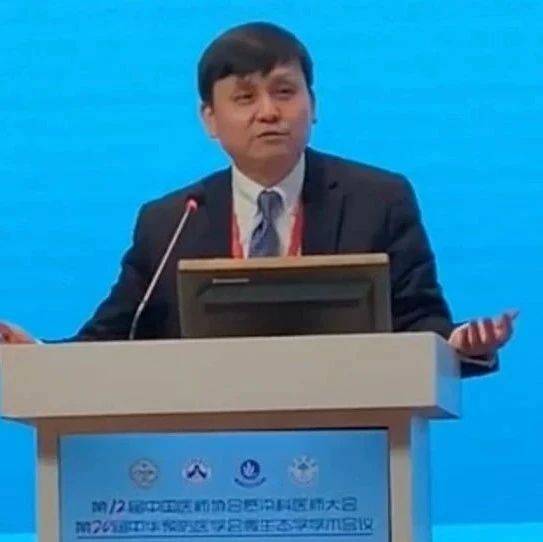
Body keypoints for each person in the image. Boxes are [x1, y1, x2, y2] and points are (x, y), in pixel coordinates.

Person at [0, 22, 516, 376]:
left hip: (350, 447)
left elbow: (420, 321)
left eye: (285, 92)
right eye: (245, 97)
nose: (268, 112)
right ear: (209, 119)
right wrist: (38, 358)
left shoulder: (378, 199)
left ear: (313, 105)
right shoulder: (170, 221)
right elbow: (117, 334)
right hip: (204, 457)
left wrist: (459, 345)